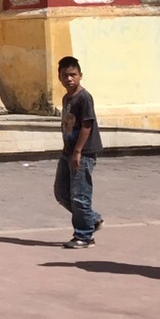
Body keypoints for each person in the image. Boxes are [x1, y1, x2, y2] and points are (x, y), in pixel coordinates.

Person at [55, 55, 103, 249]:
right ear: (59, 77)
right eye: (65, 75)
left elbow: (86, 125)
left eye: (73, 75)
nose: (69, 79)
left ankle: (84, 236)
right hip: (68, 151)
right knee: (61, 192)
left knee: (80, 195)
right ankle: (92, 219)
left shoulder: (84, 98)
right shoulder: (67, 97)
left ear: (80, 75)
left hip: (82, 153)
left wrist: (78, 152)